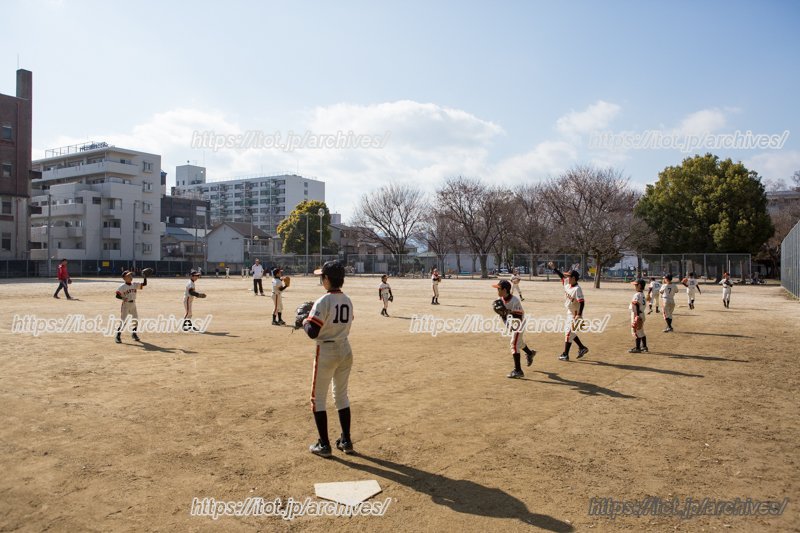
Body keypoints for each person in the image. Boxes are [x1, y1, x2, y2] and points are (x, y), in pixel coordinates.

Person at [302, 260, 355, 457]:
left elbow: (313, 332)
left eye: (321, 277)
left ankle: (324, 444)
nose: (321, 280)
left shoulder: (323, 300)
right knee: (341, 395)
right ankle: (346, 440)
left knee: (318, 399)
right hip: (345, 348)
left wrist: (304, 321)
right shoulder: (347, 299)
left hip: (327, 351)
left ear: (327, 279)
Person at [493, 279, 536, 378]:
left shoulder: (515, 300)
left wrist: (508, 313)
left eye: (499, 289)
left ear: (504, 290)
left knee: (514, 344)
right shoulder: (500, 300)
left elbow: (519, 316)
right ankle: (530, 353)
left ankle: (518, 370)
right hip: (512, 324)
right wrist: (506, 320)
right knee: (519, 343)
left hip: (519, 323)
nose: (497, 291)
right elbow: (503, 316)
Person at [547, 262, 589, 361]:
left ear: (574, 278)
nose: (567, 278)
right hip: (569, 313)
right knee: (571, 333)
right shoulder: (567, 284)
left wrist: (579, 315)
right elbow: (561, 276)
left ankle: (565, 354)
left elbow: (582, 302)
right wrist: (554, 268)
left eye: (569, 276)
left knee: (568, 333)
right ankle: (582, 348)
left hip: (575, 315)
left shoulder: (577, 289)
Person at [115, 270, 148, 343]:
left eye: (131, 275)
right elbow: (117, 295)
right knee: (123, 321)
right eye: (128, 276)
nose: (130, 277)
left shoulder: (134, 284)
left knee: (135, 320)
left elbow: (144, 284)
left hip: (133, 304)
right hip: (125, 305)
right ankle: (118, 335)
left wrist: (145, 277)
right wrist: (123, 298)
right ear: (124, 278)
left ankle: (134, 334)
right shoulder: (122, 287)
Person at [628, 279, 649, 353]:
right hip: (641, 314)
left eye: (636, 285)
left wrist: (636, 316)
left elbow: (636, 304)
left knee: (636, 331)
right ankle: (644, 346)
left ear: (639, 285)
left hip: (637, 314)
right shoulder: (642, 294)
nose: (635, 286)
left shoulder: (637, 294)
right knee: (641, 331)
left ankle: (637, 348)